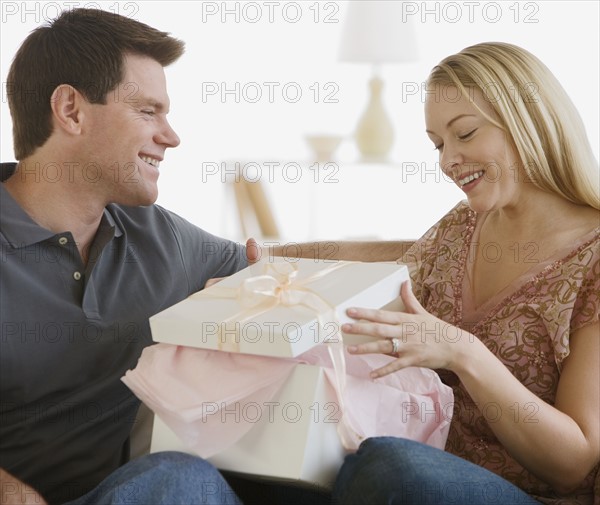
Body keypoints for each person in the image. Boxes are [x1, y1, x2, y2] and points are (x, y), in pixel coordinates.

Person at [319, 42, 598, 504]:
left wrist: (461, 351)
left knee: (390, 465)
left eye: (464, 134)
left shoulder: (593, 257)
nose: (448, 161)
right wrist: (255, 270)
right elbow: (384, 260)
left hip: (528, 494)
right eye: (438, 144)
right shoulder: (462, 226)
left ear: (527, 119)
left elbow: (573, 462)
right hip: (417, 475)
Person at [0, 8, 257, 505]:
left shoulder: (158, 238)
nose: (171, 136)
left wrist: (448, 238)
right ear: (71, 110)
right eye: (147, 111)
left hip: (128, 493)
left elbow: (281, 264)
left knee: (187, 481)